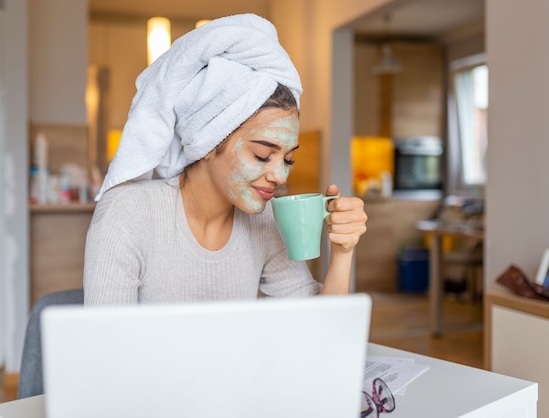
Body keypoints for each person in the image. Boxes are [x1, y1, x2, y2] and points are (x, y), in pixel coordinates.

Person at [83, 13, 367, 305]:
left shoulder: (265, 221)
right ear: (208, 143)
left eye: (288, 159)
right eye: (262, 155)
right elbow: (104, 346)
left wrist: (343, 252)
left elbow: (318, 330)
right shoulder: (127, 214)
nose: (280, 176)